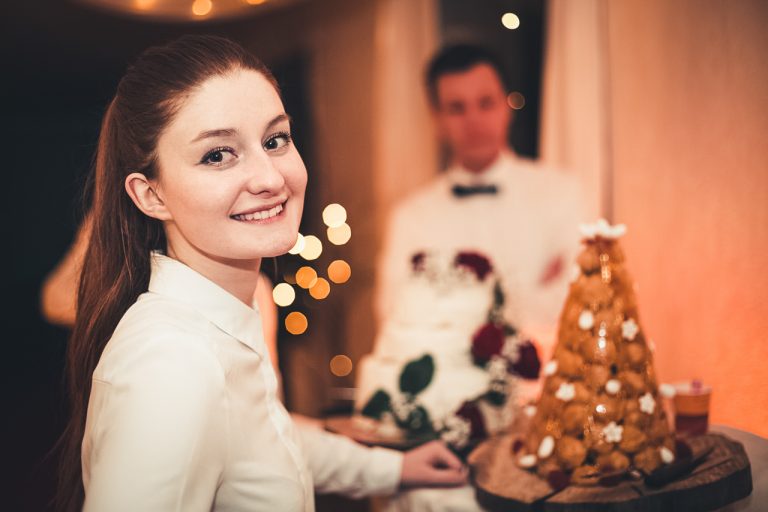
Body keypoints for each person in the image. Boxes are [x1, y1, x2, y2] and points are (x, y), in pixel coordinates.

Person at [57, 35, 466, 512]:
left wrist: (395, 469)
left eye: (275, 140)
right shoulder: (172, 364)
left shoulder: (241, 307)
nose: (271, 178)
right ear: (151, 195)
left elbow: (267, 437)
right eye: (218, 155)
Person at [376, 44, 586, 361]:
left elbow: (579, 300)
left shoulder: (562, 192)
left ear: (507, 104)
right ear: (437, 118)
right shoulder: (412, 216)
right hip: (453, 399)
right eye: (457, 108)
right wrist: (532, 300)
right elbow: (397, 315)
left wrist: (452, 310)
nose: (473, 120)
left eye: (485, 103)